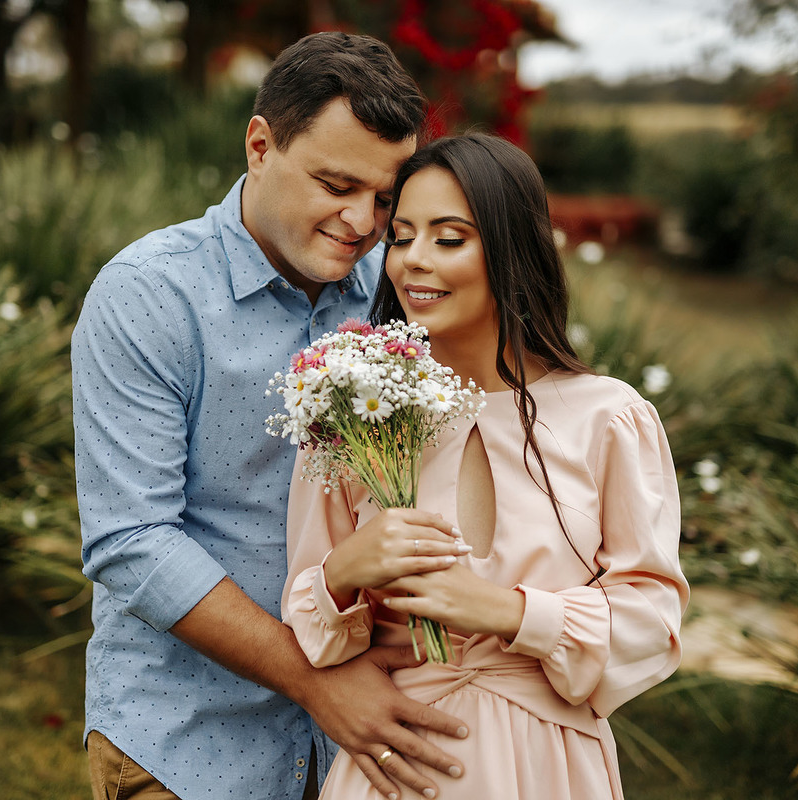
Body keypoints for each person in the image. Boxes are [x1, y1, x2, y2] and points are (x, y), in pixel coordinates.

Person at [72, 32, 473, 800]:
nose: (362, 222)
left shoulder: (395, 294)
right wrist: (317, 682)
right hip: (186, 746)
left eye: (385, 198)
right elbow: (132, 542)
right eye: (336, 184)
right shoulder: (148, 296)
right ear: (260, 145)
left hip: (365, 757)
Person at [282, 132, 690, 799]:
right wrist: (347, 568)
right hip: (396, 765)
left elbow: (650, 627)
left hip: (549, 767)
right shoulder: (357, 408)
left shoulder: (608, 418)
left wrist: (508, 612)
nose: (414, 262)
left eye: (449, 238)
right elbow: (313, 630)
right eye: (403, 236)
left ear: (510, 250)